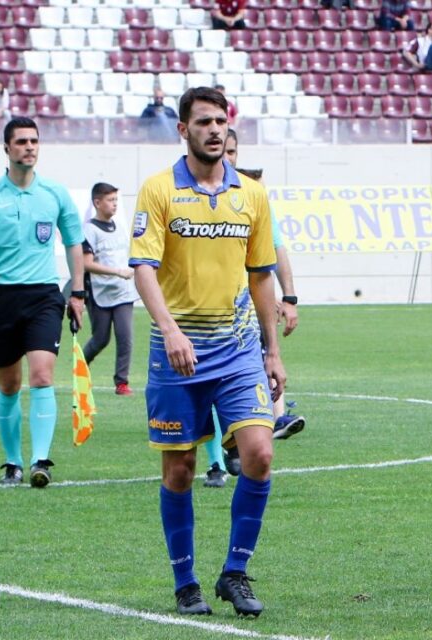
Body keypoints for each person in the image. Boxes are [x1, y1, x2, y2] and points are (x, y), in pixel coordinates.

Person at [129, 87, 284, 617]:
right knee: (180, 470)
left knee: (260, 454)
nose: (214, 130)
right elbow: (142, 268)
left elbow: (261, 275)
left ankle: (235, 572)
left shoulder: (252, 195)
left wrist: (272, 351)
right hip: (178, 352)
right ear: (183, 130)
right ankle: (185, 582)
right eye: (203, 122)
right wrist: (170, 329)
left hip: (238, 349)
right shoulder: (159, 190)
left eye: (220, 121)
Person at [0, 116, 85, 488]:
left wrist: (77, 293)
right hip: (2, 297)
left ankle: (40, 461)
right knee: (9, 385)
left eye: (34, 141)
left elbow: (74, 244)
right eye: (22, 142)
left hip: (44, 295)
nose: (29, 147)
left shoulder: (55, 194)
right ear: (7, 148)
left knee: (42, 375)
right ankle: (12, 462)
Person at [204, 128, 304, 489]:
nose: (227, 157)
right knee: (207, 390)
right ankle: (217, 459)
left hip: (245, 314)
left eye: (232, 151)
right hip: (203, 315)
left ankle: (257, 429)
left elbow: (274, 251)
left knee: (255, 372)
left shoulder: (252, 197)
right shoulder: (187, 197)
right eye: (224, 150)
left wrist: (288, 297)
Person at [81, 182, 137, 396]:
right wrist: (117, 272)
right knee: (100, 339)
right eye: (110, 200)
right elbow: (87, 264)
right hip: (100, 292)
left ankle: (121, 382)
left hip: (123, 292)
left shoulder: (119, 227)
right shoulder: (89, 230)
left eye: (116, 200)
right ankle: (81, 367)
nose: (115, 204)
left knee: (125, 338)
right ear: (97, 203)